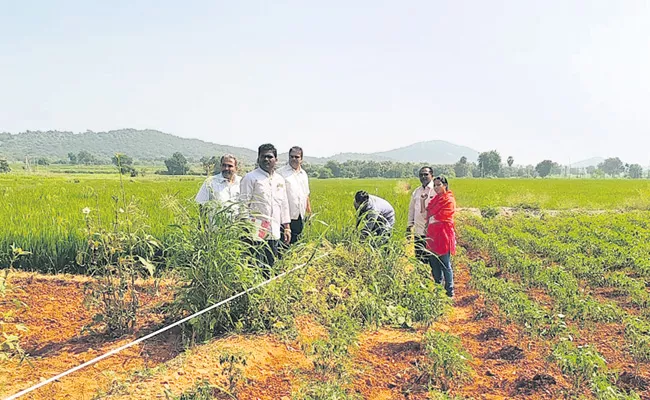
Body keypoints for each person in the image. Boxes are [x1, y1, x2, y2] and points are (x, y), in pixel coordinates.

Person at [240, 144, 291, 271]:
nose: (266, 160)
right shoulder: (251, 178)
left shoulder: (279, 180)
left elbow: (284, 205)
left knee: (271, 263)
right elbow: (242, 205)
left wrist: (287, 228)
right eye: (263, 157)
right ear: (258, 159)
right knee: (255, 264)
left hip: (274, 229)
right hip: (256, 229)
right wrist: (246, 229)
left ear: (276, 160)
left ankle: (269, 288)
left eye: (270, 157)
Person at [425, 175, 456, 297]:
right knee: (433, 262)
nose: (437, 187)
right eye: (435, 185)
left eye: (439, 185)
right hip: (432, 234)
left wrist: (433, 218)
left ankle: (450, 291)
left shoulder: (449, 199)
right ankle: (438, 288)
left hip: (443, 234)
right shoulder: (435, 200)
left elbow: (445, 215)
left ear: (445, 185)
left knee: (445, 263)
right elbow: (429, 213)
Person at [278, 146, 311, 245]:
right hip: (285, 217)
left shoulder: (303, 174)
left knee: (295, 244)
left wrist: (309, 212)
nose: (293, 159)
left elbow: (306, 195)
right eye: (291, 156)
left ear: (301, 159)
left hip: (299, 216)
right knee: (283, 244)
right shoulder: (280, 173)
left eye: (296, 157)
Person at [195, 154, 242, 221]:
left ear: (236, 168)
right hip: (217, 228)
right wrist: (202, 227)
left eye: (230, 166)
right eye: (224, 165)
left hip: (238, 228)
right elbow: (202, 205)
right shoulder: (210, 182)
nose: (226, 168)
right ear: (220, 166)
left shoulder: (242, 182)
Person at [407, 166, 435, 264]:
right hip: (418, 230)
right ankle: (421, 277)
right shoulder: (416, 191)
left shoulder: (436, 190)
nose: (423, 177)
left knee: (432, 258)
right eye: (421, 175)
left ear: (432, 175)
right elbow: (412, 210)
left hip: (432, 232)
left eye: (426, 174)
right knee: (419, 256)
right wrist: (409, 226)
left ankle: (436, 278)